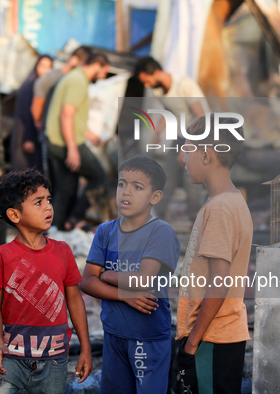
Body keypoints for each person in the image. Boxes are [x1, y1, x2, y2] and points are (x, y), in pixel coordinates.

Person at [0, 169, 92, 394]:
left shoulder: (63, 252)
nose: (48, 207)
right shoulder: (2, 256)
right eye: (38, 202)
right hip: (12, 358)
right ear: (14, 215)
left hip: (54, 362)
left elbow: (75, 301)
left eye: (49, 200)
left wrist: (86, 348)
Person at [81, 156, 181, 394]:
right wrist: (124, 295)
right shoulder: (106, 231)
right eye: (122, 184)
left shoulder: (160, 232)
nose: (126, 192)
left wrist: (107, 275)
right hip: (114, 334)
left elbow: (143, 279)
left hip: (148, 337)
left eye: (138, 187)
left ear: (154, 197)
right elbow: (87, 282)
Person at [175, 114, 252, 394]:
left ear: (206, 154)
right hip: (217, 336)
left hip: (211, 339)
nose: (183, 157)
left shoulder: (220, 209)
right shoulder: (229, 202)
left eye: (187, 148)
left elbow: (219, 283)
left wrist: (192, 342)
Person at [134, 56, 209, 222]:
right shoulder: (158, 90)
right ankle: (153, 219)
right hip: (181, 136)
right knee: (166, 177)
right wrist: (157, 133)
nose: (146, 85)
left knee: (192, 183)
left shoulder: (184, 85)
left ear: (155, 72)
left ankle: (197, 223)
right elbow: (170, 112)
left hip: (200, 137)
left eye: (146, 81)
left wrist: (188, 148)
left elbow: (200, 117)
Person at [45, 53, 110, 230]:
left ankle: (58, 228)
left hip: (59, 142)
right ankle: (75, 219)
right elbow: (66, 115)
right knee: (99, 176)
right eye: (104, 72)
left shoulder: (75, 79)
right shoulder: (78, 81)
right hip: (66, 143)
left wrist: (91, 136)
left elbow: (73, 118)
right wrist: (73, 149)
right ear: (96, 64)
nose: (104, 77)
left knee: (66, 190)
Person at [31, 46, 93, 131]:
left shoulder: (76, 80)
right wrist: (43, 127)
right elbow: (36, 108)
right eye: (83, 65)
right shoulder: (49, 79)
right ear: (74, 59)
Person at [11, 55, 53, 171]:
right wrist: (28, 138)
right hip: (25, 134)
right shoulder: (31, 85)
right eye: (43, 66)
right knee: (26, 170)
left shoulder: (40, 84)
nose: (46, 70)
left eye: (49, 67)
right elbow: (26, 113)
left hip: (32, 134)